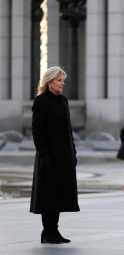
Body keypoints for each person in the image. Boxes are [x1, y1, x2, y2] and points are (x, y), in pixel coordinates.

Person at [30, 66, 79, 244]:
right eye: (59, 80)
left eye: (62, 81)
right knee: (48, 195)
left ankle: (54, 231)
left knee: (59, 194)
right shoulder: (41, 101)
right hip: (48, 158)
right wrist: (44, 155)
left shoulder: (63, 101)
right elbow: (37, 131)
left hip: (64, 157)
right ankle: (48, 232)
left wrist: (73, 152)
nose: (62, 84)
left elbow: (68, 130)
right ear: (50, 82)